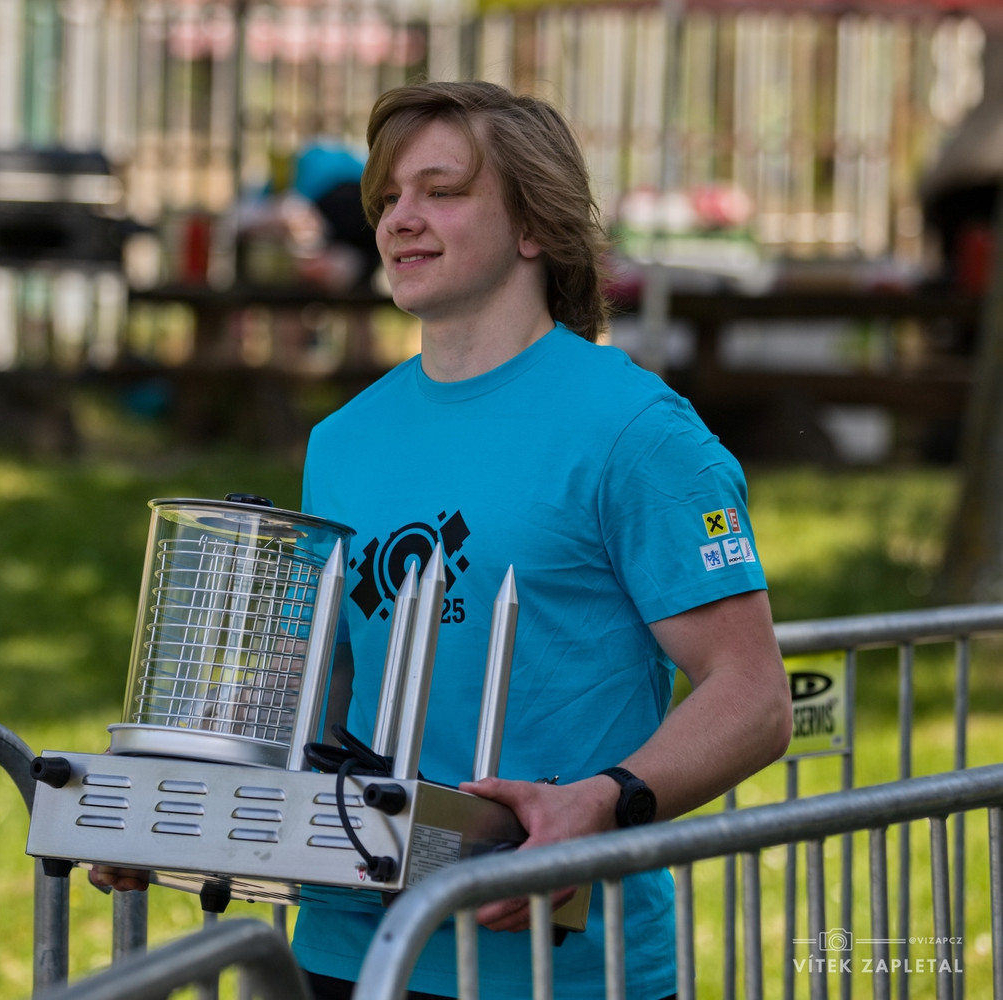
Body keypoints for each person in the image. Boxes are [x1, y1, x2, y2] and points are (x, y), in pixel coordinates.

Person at [290, 80, 793, 999]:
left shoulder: (637, 431)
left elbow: (754, 695)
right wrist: (172, 807)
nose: (400, 219)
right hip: (348, 953)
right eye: (388, 198)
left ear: (533, 226)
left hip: (563, 967)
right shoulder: (340, 441)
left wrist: (605, 801)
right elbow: (325, 695)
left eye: (442, 191)